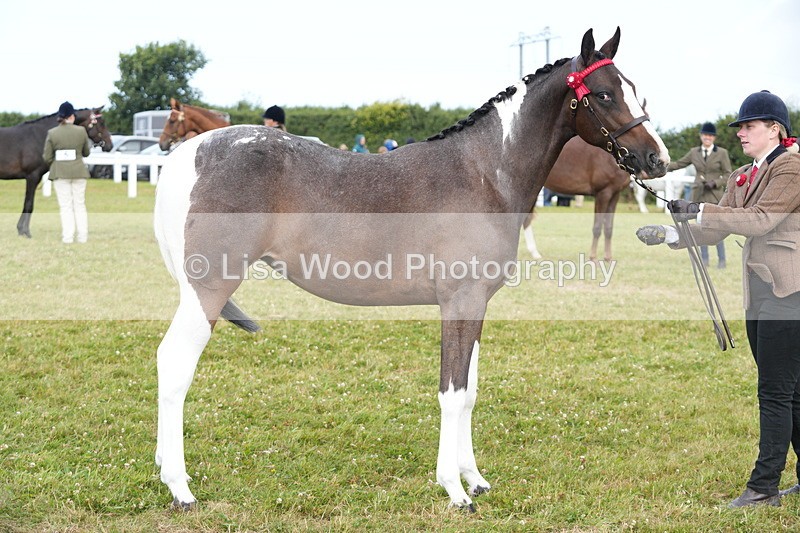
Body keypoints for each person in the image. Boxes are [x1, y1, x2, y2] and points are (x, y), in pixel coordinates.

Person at [636, 90, 800, 508]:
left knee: (775, 393)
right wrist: (671, 233)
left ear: (774, 130)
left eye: (749, 126)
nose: (741, 133)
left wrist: (698, 209)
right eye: (740, 127)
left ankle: (764, 488)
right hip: (759, 293)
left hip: (790, 292)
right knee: (791, 392)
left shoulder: (792, 167)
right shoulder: (742, 174)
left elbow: (761, 220)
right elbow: (717, 228)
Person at [667, 122, 733, 268]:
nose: (707, 137)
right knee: (701, 228)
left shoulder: (722, 153)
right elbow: (678, 164)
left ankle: (721, 260)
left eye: (710, 135)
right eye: (705, 135)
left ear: (714, 137)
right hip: (698, 195)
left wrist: (715, 182)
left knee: (716, 229)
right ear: (701, 136)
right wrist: (662, 166)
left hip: (715, 196)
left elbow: (728, 174)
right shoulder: (694, 152)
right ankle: (704, 260)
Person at [43, 101, 91, 244]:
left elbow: (47, 157)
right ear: (71, 116)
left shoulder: (52, 133)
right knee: (80, 204)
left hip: (60, 173)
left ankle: (68, 237)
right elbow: (86, 152)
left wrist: (57, 163)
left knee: (65, 206)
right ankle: (82, 237)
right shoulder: (81, 131)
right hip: (79, 172)